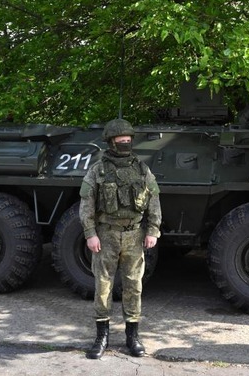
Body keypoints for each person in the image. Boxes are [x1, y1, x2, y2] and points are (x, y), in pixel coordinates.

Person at [79, 118, 162, 359]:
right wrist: (90, 234)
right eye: (120, 140)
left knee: (133, 286)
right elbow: (86, 205)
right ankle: (101, 336)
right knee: (103, 286)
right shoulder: (98, 170)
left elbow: (154, 200)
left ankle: (132, 336)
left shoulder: (141, 169)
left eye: (128, 139)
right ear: (111, 142)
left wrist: (153, 230)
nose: (125, 143)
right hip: (106, 235)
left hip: (135, 235)